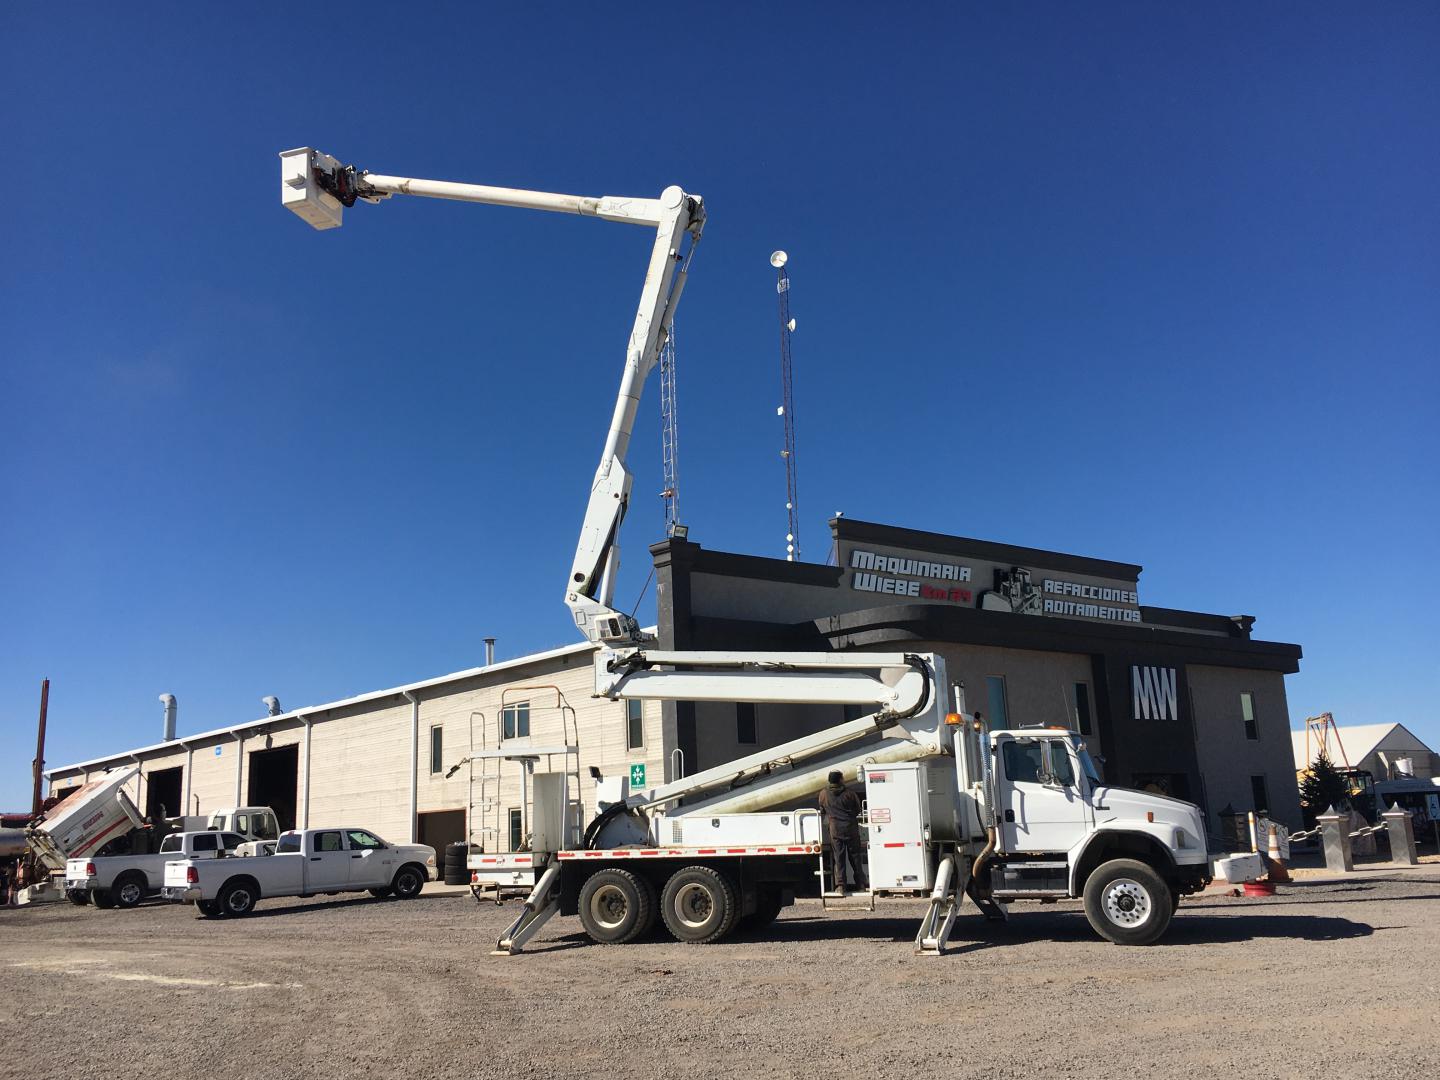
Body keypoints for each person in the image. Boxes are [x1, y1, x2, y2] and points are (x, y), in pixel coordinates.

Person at [818, 770, 867, 895]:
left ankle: (841, 886)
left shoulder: (823, 794)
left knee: (839, 858)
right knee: (855, 857)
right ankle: (860, 885)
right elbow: (857, 809)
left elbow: (822, 809)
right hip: (850, 828)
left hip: (835, 829)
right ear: (840, 780)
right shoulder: (849, 793)